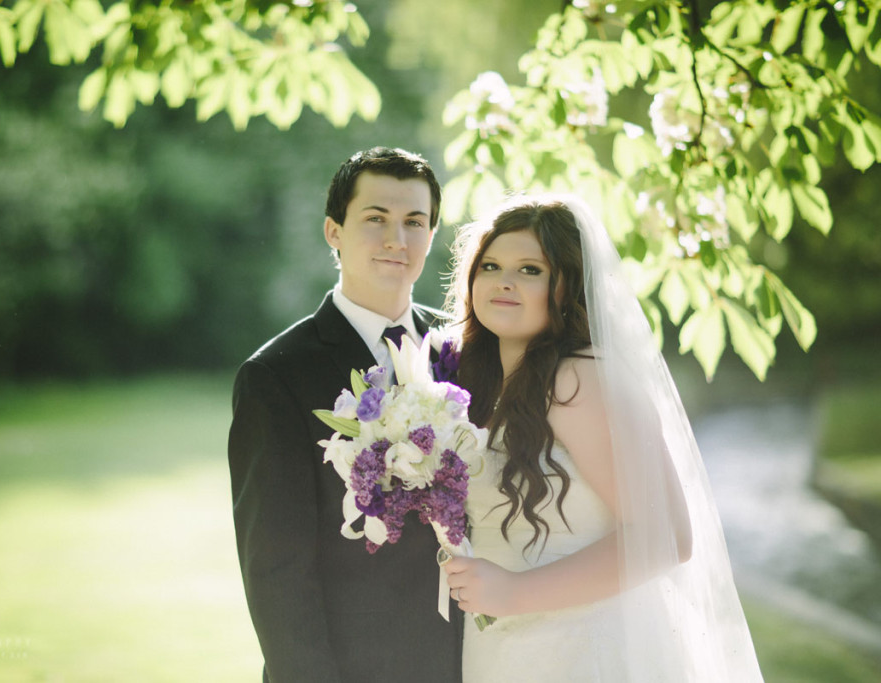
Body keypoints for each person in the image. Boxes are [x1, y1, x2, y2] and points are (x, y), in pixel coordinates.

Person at [441, 195, 763, 681]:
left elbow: (667, 537)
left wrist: (513, 592)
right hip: (503, 653)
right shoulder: (477, 388)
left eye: (531, 270)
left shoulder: (577, 379)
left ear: (568, 286)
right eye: (491, 265)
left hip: (582, 653)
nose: (504, 280)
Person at [228, 147, 462, 682]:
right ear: (333, 231)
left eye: (414, 222)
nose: (395, 240)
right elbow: (276, 571)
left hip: (469, 658)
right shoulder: (276, 377)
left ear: (432, 233)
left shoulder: (465, 350)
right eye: (375, 219)